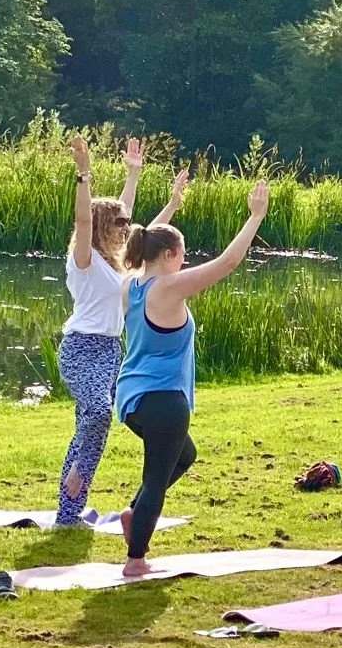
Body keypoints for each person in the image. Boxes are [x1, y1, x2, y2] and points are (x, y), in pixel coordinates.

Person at [111, 180, 271, 577]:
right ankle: (136, 559)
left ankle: (134, 513)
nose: (184, 262)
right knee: (157, 475)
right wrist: (255, 217)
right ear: (169, 255)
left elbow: (142, 240)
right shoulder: (168, 288)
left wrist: (172, 205)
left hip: (132, 399)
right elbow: (226, 264)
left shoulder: (130, 284)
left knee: (184, 456)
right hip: (164, 400)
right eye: (181, 255)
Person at [57, 135, 187, 526]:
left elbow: (142, 230)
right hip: (81, 348)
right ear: (100, 227)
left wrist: (137, 174)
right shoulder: (83, 259)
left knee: (92, 423)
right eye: (118, 224)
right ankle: (77, 473)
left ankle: (68, 512)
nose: (126, 228)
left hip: (111, 351)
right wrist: (84, 173)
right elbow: (83, 219)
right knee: (97, 412)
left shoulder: (120, 266)